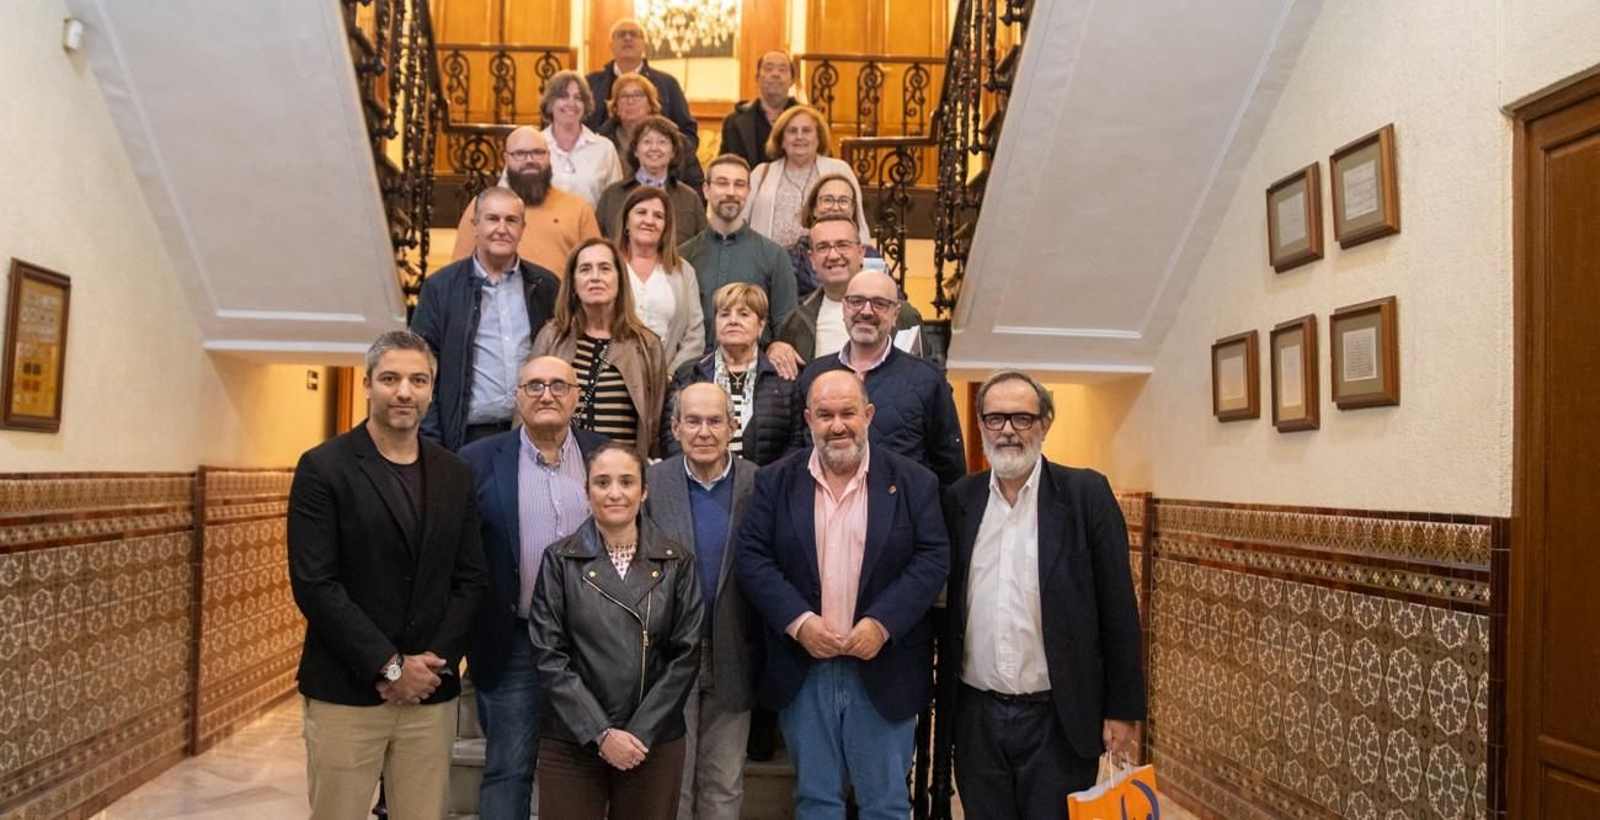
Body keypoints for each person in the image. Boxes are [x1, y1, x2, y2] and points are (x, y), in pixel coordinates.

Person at [287, 330, 487, 820]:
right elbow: (316, 585)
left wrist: (428, 667)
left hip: (428, 696)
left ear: (431, 390)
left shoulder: (453, 473)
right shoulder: (323, 468)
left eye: (418, 380)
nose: (404, 391)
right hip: (347, 693)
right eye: (391, 378)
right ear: (368, 384)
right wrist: (390, 667)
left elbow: (471, 580)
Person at [735, 370, 950, 819]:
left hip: (883, 668)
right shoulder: (776, 482)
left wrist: (882, 624)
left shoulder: (913, 482)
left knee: (886, 805)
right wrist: (799, 622)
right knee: (815, 801)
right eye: (826, 414)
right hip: (805, 668)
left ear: (868, 415)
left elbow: (932, 560)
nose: (838, 425)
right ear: (808, 418)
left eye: (848, 413)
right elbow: (753, 558)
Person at [942, 371, 1146, 817]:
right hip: (977, 717)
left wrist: (1122, 709)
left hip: (1059, 717)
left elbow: (1119, 608)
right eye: (995, 418)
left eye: (1022, 418)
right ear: (980, 425)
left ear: (1045, 423)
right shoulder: (960, 500)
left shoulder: (1085, 495)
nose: (1008, 430)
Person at [457, 355, 608, 820]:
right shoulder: (477, 461)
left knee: (584, 767)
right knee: (508, 769)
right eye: (535, 385)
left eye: (559, 385)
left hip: (593, 643)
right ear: (517, 396)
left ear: (577, 397)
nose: (547, 394)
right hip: (512, 641)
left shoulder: (604, 455)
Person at [528, 442, 704, 820]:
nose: (614, 493)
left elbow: (686, 654)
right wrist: (602, 733)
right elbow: (549, 654)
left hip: (652, 739)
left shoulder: (677, 562)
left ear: (644, 491)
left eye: (627, 482)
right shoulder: (559, 560)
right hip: (573, 736)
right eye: (602, 482)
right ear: (586, 490)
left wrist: (638, 733)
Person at [644, 383, 762, 820]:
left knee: (724, 785)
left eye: (715, 420)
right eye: (692, 420)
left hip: (735, 649)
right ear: (675, 428)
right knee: (672, 784)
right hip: (668, 656)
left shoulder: (759, 482)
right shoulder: (652, 484)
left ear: (734, 425)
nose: (704, 431)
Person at [413, 187, 560, 450]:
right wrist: (431, 443)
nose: (502, 229)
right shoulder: (440, 288)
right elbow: (420, 367)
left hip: (532, 435)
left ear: (523, 228)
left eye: (511, 220)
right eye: (492, 219)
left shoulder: (545, 286)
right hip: (465, 438)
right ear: (475, 226)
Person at [796, 268, 965, 487]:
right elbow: (799, 454)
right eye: (857, 301)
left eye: (879, 303)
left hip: (902, 517)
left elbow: (949, 467)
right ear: (845, 308)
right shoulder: (814, 375)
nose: (866, 311)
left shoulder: (928, 380)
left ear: (895, 315)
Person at [531, 237, 667, 455]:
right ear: (573, 283)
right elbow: (528, 406)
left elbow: (657, 424)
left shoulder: (647, 344)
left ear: (619, 280)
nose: (595, 277)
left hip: (622, 477)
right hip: (561, 470)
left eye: (605, 268)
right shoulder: (552, 337)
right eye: (585, 269)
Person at [663, 283, 803, 467]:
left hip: (768, 487)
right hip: (698, 484)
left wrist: (771, 481)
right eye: (724, 314)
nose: (733, 321)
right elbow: (670, 433)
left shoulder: (783, 375)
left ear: (761, 326)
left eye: (744, 314)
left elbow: (796, 439)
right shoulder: (690, 373)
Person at [772, 215, 921, 372]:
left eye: (842, 245)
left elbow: (927, 380)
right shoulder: (796, 322)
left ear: (861, 252)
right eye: (823, 247)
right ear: (812, 259)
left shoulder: (902, 315)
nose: (834, 255)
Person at [447, 126, 602, 274]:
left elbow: (596, 270)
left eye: (537, 153)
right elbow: (459, 273)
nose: (529, 160)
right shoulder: (481, 207)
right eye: (520, 154)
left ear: (549, 156)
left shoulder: (578, 209)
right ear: (506, 159)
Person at [680, 154, 798, 344]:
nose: (731, 192)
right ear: (706, 190)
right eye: (722, 183)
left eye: (739, 184)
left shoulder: (774, 255)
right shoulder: (683, 256)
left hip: (757, 367)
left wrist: (779, 346)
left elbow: (787, 326)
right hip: (696, 369)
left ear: (748, 191)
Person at [744, 105, 872, 249]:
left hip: (826, 263)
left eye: (806, 130)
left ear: (818, 137)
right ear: (781, 140)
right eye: (792, 131)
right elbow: (740, 221)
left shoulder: (839, 170)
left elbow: (858, 220)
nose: (799, 137)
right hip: (769, 264)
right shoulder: (761, 173)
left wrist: (864, 259)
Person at [614, 184, 705, 373]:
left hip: (664, 381)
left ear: (666, 227)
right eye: (641, 212)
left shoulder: (683, 271)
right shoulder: (608, 266)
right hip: (612, 378)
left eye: (658, 216)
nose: (649, 220)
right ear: (626, 222)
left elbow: (694, 336)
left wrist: (670, 377)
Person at [585, 17, 698, 154]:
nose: (627, 38)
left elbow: (688, 132)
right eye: (621, 34)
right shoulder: (590, 84)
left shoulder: (667, 84)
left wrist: (672, 162)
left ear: (644, 43)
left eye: (634, 34)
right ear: (611, 45)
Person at [597, 114, 707, 246]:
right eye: (647, 142)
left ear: (673, 152)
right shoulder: (612, 195)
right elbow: (599, 244)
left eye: (662, 142)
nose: (654, 148)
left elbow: (702, 245)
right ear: (635, 151)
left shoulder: (690, 198)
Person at [596, 73, 706, 195]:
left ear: (650, 103)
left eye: (638, 95)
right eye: (624, 96)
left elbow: (696, 186)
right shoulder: (601, 143)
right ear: (615, 106)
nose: (630, 101)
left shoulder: (678, 141)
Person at [786, 172, 884, 299]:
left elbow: (894, 300)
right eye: (827, 200)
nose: (835, 207)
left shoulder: (870, 255)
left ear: (853, 208)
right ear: (814, 208)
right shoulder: (794, 256)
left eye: (843, 201)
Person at [541, 70, 624, 208]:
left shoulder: (604, 149)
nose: (571, 103)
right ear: (550, 103)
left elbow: (616, 204)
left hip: (592, 229)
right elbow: (510, 197)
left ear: (585, 105)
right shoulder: (532, 145)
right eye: (563, 96)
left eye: (578, 98)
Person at [719, 51, 801, 168]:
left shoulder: (810, 120)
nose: (775, 74)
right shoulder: (734, 122)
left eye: (782, 70)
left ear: (792, 80)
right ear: (757, 78)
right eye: (769, 69)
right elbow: (724, 166)